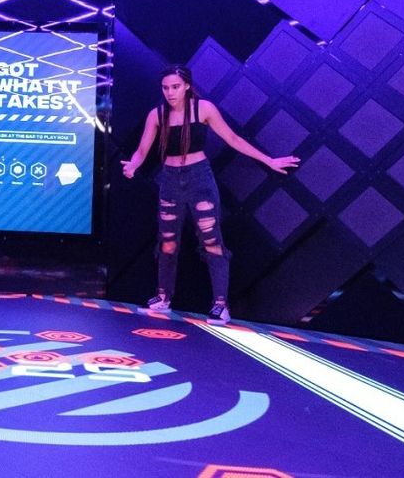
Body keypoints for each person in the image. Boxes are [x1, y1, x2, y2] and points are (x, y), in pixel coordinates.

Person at [120, 65, 299, 325]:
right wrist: (133, 165)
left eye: (176, 87)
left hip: (199, 178)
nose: (170, 92)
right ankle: (163, 297)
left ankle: (220, 305)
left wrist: (268, 160)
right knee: (168, 241)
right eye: (166, 87)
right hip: (170, 180)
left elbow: (233, 139)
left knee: (212, 241)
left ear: (187, 86)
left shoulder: (203, 108)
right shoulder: (157, 114)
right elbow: (142, 150)